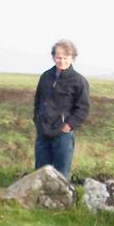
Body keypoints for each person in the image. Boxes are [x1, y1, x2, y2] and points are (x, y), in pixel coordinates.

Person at [33, 39, 90, 180]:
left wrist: (68, 125)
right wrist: (38, 120)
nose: (62, 61)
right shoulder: (45, 77)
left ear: (72, 58)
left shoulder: (79, 81)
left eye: (66, 58)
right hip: (43, 132)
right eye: (58, 57)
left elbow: (82, 108)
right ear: (53, 57)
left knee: (61, 174)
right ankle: (38, 200)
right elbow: (38, 101)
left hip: (62, 134)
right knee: (40, 173)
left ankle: (61, 201)